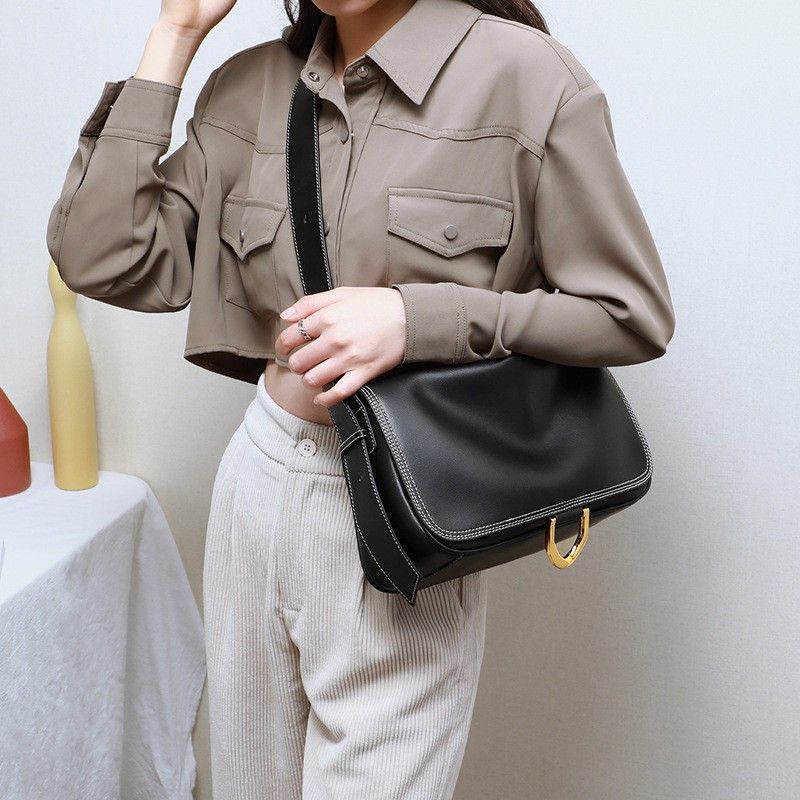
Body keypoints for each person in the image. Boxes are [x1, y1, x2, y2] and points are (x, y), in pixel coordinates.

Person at [46, 0, 676, 796]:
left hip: (404, 509)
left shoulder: (526, 78)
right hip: (258, 486)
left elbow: (628, 313)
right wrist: (175, 35)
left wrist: (418, 320)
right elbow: (103, 256)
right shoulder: (248, 87)